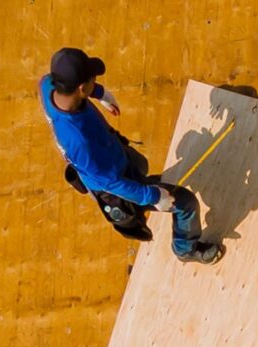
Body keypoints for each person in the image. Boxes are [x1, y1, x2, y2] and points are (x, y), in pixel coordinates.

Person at [41, 49, 221, 264]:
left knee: (140, 164)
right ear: (81, 88)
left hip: (111, 153)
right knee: (186, 204)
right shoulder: (79, 142)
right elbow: (112, 184)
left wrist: (99, 93)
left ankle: (148, 187)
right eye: (93, 80)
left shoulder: (48, 87)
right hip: (114, 183)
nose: (96, 80)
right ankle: (186, 249)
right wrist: (153, 197)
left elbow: (48, 82)